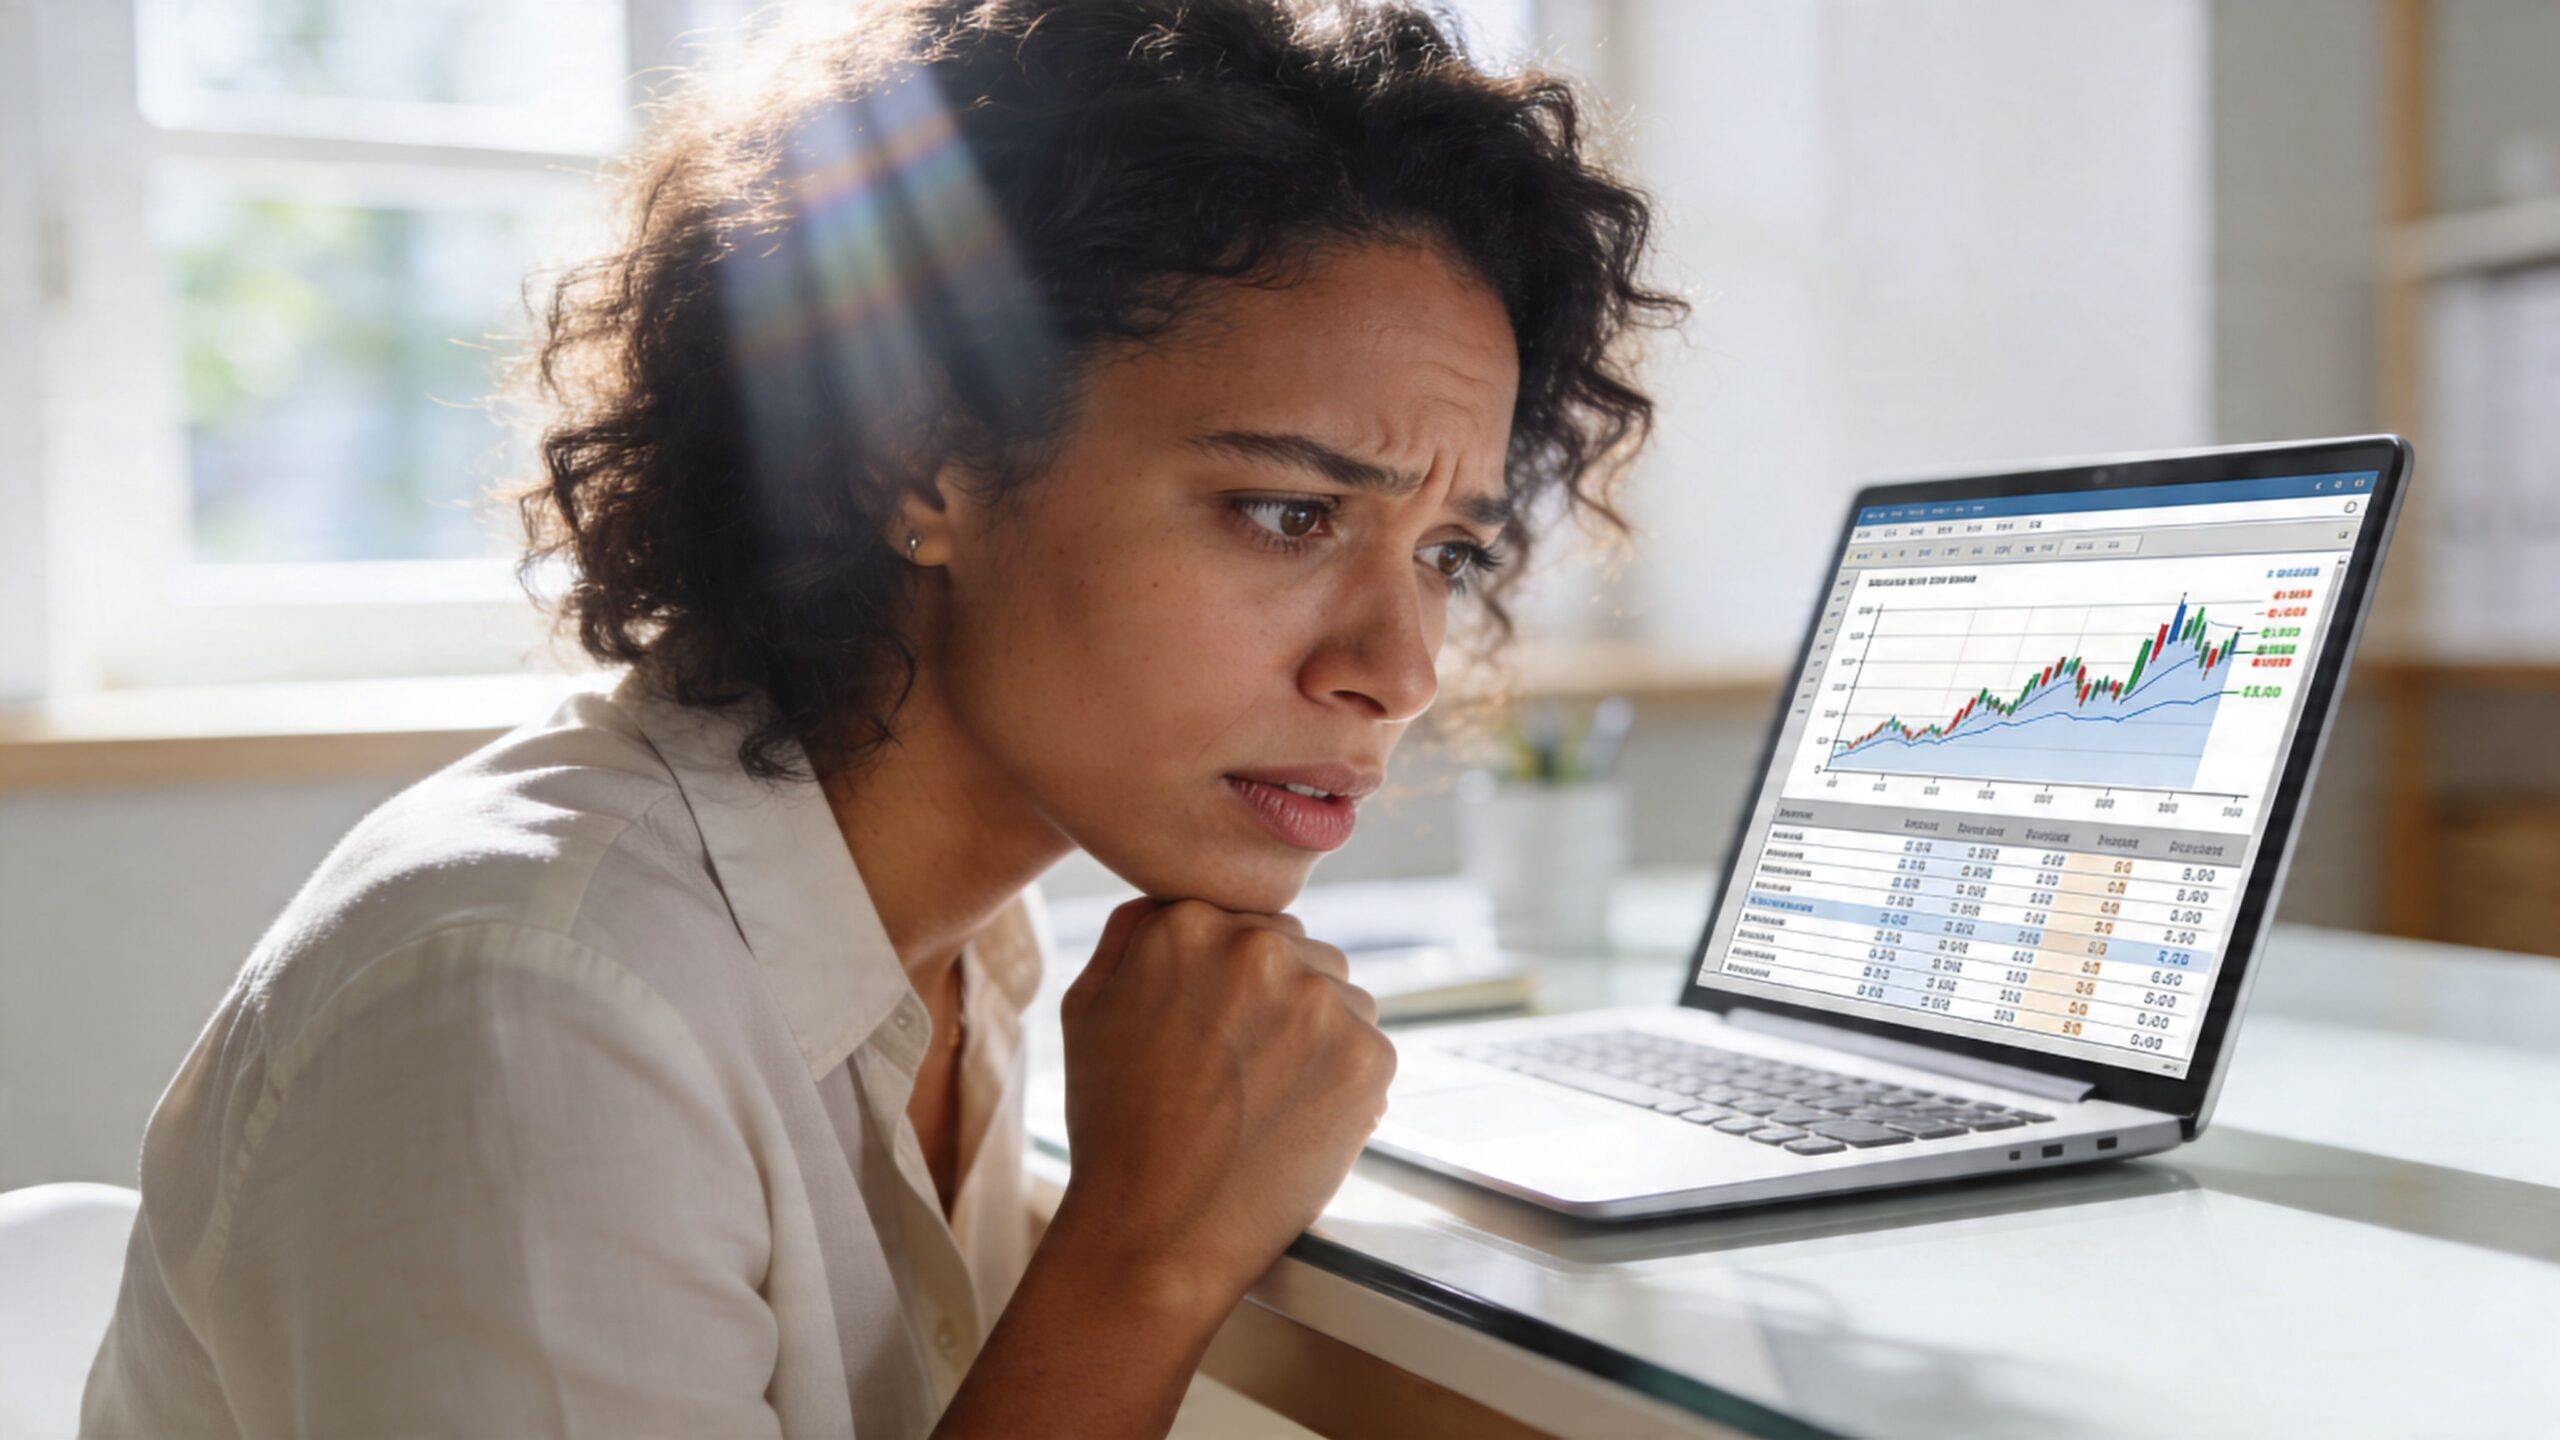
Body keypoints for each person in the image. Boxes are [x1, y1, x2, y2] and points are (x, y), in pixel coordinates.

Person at [81, 0, 1678, 1434]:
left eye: (1448, 549)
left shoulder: (972, 939)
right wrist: (1144, 1254)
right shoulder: (538, 1012)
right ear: (920, 465)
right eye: (1282, 514)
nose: (1399, 667)